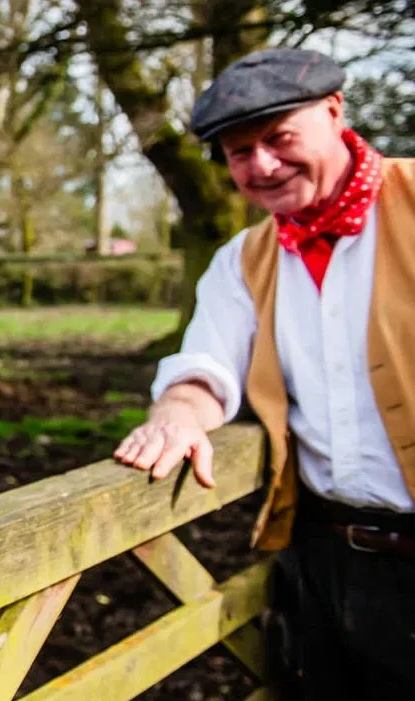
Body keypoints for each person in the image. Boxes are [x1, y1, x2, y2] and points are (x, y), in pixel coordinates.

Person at [113, 48, 415, 700]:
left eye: (279, 138)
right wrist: (177, 413)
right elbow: (207, 363)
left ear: (335, 112)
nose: (262, 166)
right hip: (321, 559)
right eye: (239, 152)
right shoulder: (242, 260)